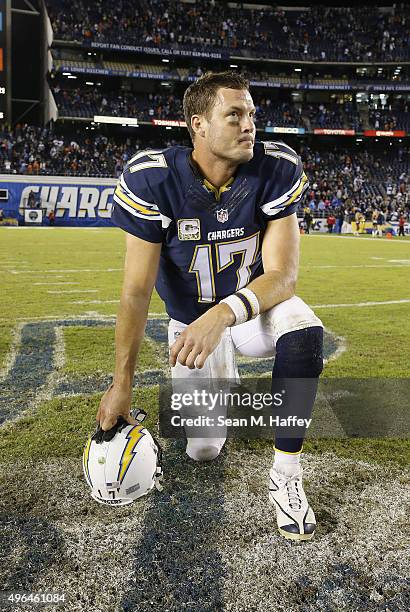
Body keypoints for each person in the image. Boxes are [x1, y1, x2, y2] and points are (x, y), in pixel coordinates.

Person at [98, 72, 323, 541]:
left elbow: (283, 276)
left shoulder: (275, 168)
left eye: (252, 115)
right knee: (202, 449)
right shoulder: (154, 179)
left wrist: (222, 316)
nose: (249, 126)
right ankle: (222, 383)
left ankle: (286, 477)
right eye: (234, 115)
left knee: (302, 329)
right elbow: (136, 293)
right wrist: (122, 385)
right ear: (198, 125)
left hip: (249, 312)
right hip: (189, 321)